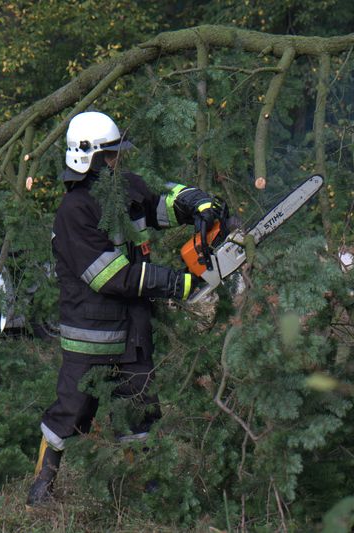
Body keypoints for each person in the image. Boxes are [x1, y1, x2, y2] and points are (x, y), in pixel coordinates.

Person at [27, 111, 223, 505]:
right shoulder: (75, 212)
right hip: (92, 336)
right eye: (113, 155)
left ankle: (142, 490)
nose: (119, 161)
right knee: (71, 412)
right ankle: (41, 488)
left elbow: (160, 199)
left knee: (139, 408)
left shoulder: (125, 190)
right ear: (93, 159)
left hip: (133, 329)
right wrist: (175, 283)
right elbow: (110, 276)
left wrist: (197, 203)